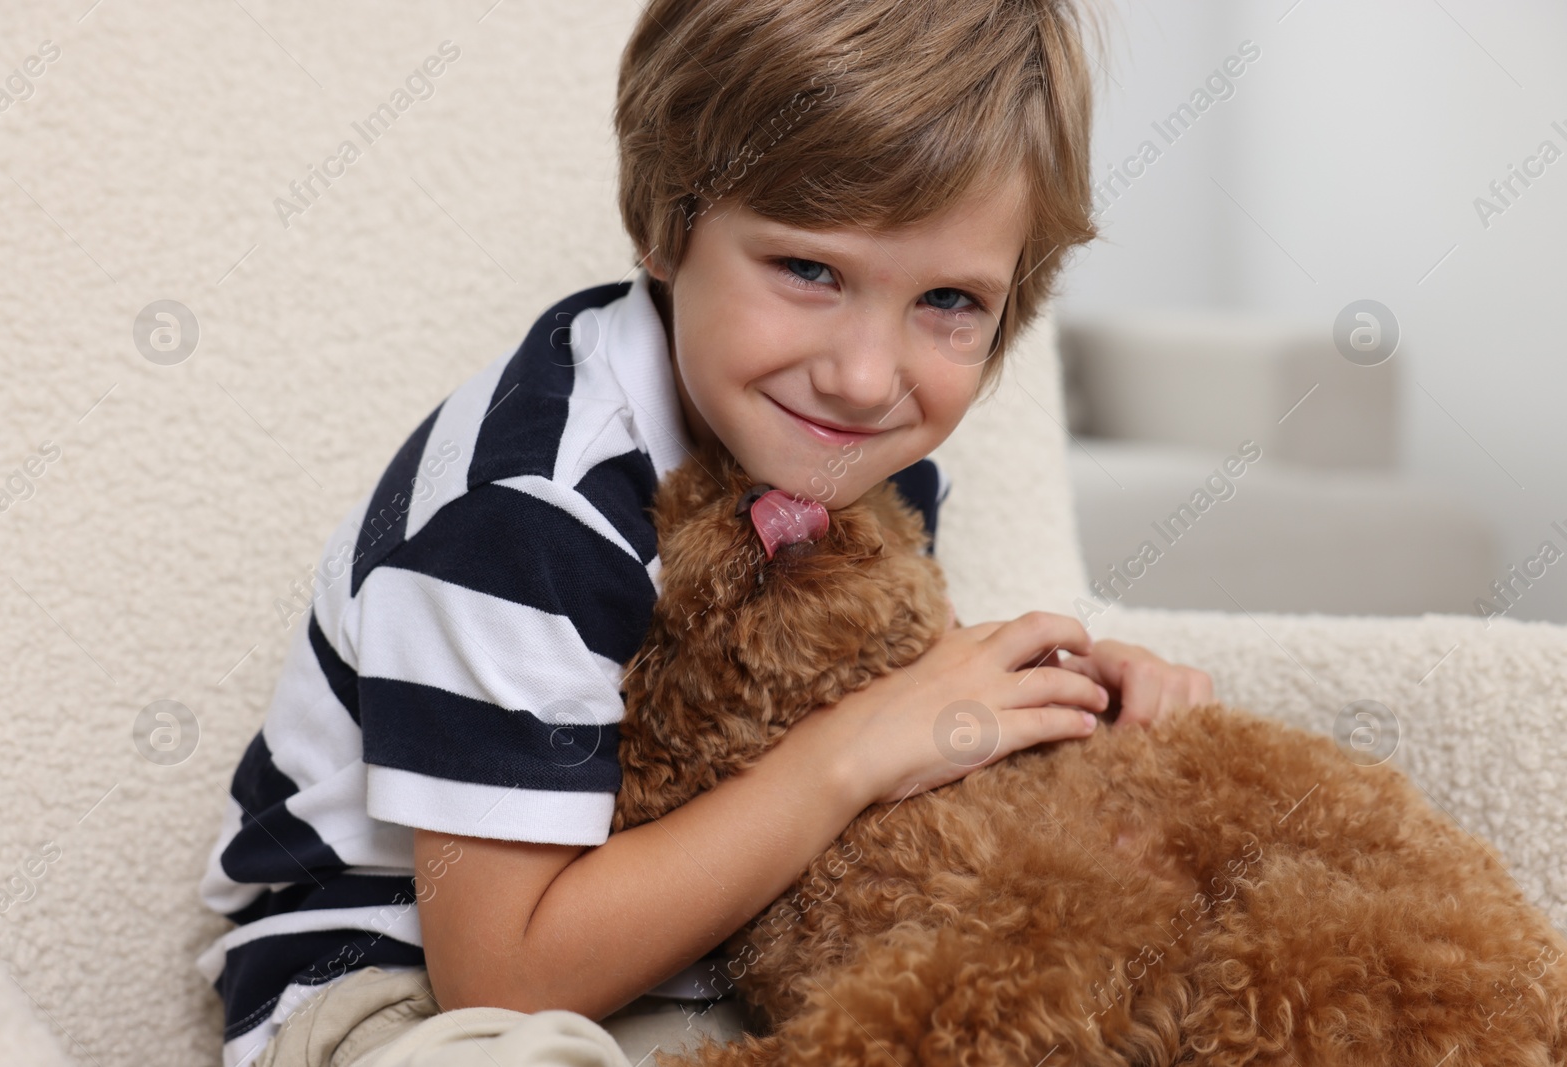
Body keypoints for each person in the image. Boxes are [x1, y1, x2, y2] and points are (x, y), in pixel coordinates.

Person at [196, 1, 1216, 1064]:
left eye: (950, 299)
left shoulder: (858, 449)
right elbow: (501, 974)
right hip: (404, 985)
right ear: (666, 225)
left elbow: (868, 687)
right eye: (808, 270)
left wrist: (1068, 701)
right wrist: (853, 752)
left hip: (719, 953)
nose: (866, 376)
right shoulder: (521, 516)